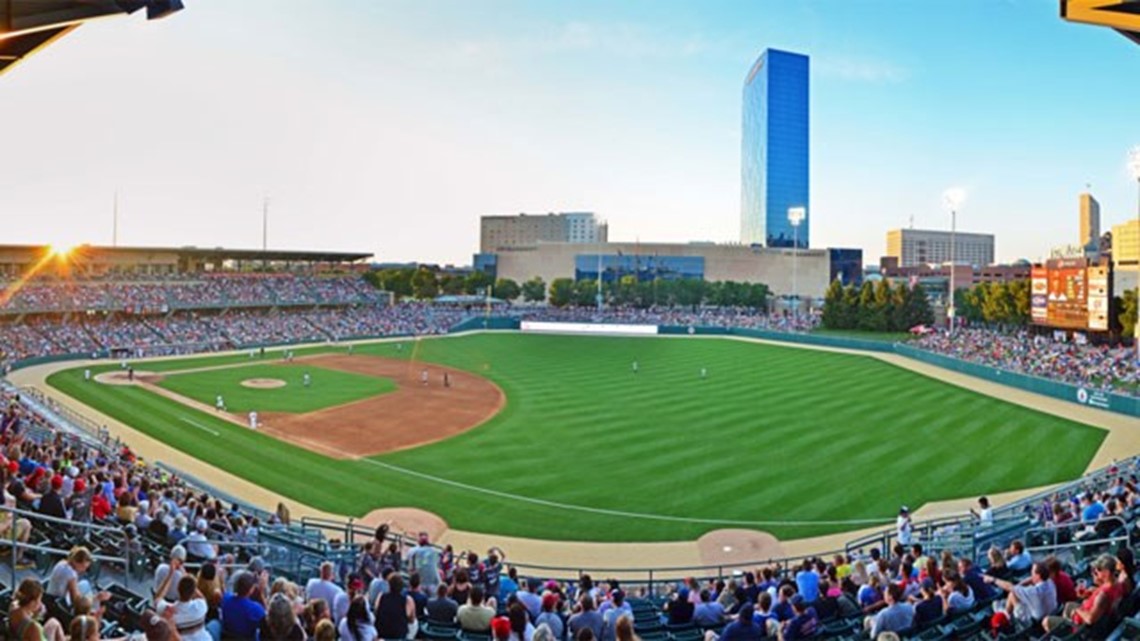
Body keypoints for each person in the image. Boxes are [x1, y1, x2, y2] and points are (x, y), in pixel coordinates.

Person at [985, 562, 1056, 627]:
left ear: (1038, 576)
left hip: (1033, 621)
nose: (1031, 573)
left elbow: (1009, 587)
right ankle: (1006, 610)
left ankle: (1006, 615)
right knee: (1015, 592)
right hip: (1049, 612)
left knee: (1012, 594)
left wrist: (993, 579)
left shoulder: (1033, 592)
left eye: (1032, 572)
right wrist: (1019, 586)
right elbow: (1032, 579)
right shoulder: (1050, 582)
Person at [157, 575, 216, 641]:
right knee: (215, 623)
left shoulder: (168, 612)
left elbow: (157, 598)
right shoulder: (201, 606)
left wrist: (170, 574)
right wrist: (184, 573)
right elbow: (201, 597)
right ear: (193, 592)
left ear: (177, 589)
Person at [222, 571, 267, 640]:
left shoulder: (225, 598)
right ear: (251, 590)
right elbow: (267, 621)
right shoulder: (256, 609)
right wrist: (261, 593)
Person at [375, 574, 417, 640]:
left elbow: (376, 612)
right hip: (399, 636)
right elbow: (412, 620)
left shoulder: (381, 596)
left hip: (382, 634)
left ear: (389, 585)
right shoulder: (408, 600)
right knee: (415, 624)